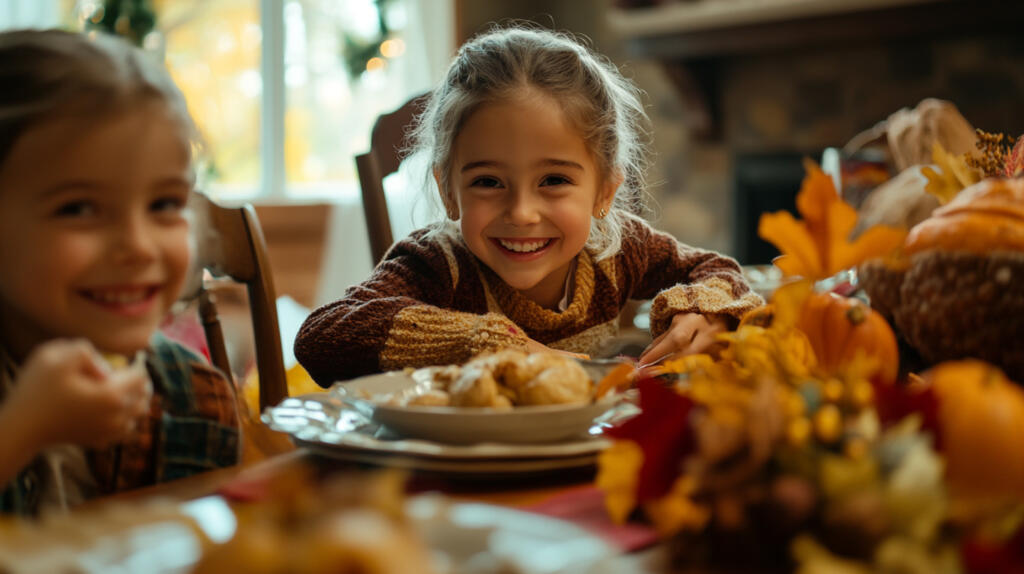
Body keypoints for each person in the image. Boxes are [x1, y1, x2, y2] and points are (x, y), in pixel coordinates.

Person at [295, 26, 763, 385]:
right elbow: (322, 336)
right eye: (488, 181)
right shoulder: (439, 264)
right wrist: (494, 345)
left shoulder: (618, 249)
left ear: (604, 191)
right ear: (448, 191)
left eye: (554, 180)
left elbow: (716, 269)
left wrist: (704, 313)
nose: (521, 212)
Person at [0, 29, 240, 516]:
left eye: (164, 204)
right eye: (79, 208)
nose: (137, 245)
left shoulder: (197, 399)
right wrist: (20, 433)